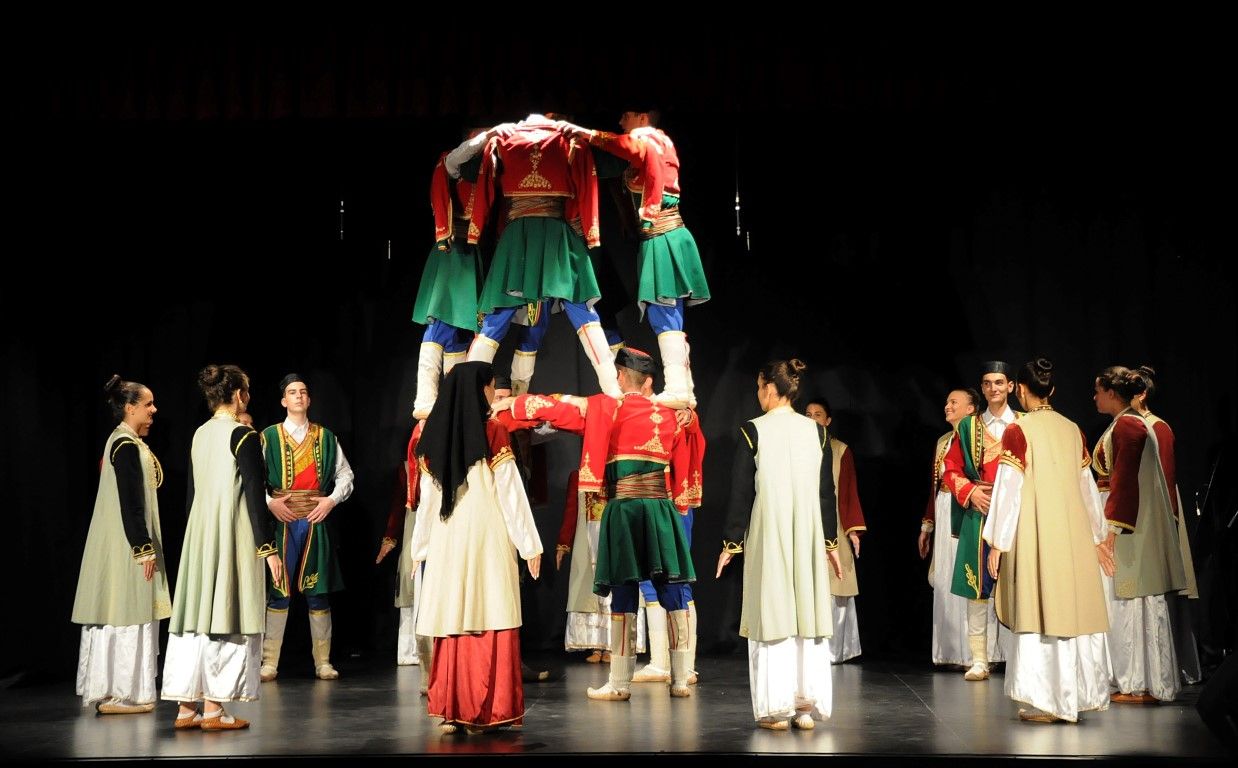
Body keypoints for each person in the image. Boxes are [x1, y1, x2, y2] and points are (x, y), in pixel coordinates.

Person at [496, 346, 702, 701]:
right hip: (660, 510)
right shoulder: (673, 414)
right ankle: (681, 679)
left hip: (624, 510)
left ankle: (620, 684)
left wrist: (513, 406)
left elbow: (556, 410)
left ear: (621, 377)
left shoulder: (607, 408)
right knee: (672, 591)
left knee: (624, 592)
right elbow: (692, 445)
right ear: (647, 381)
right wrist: (690, 416)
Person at [410, 361, 543, 734]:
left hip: (448, 535)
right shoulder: (493, 430)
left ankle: (452, 707)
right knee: (489, 611)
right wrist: (529, 544)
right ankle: (483, 710)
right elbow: (510, 492)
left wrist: (420, 548)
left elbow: (428, 500)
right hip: (485, 533)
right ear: (479, 390)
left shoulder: (432, 435)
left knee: (453, 613)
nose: (490, 394)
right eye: (489, 387)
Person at [982, 358, 1113, 723]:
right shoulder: (1072, 429)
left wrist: (998, 541)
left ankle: (1050, 700)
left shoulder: (1018, 430)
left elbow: (1008, 488)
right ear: (1051, 390)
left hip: (1038, 531)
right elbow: (1087, 489)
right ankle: (1076, 695)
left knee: (1042, 607)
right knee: (1070, 608)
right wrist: (1097, 535)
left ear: (1020, 390)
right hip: (1073, 532)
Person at [716, 358, 843, 731]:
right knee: (805, 610)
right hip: (807, 531)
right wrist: (830, 543)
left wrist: (731, 542)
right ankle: (805, 704)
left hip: (771, 531)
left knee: (773, 611)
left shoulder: (753, 430)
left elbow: (741, 491)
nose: (759, 394)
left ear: (770, 388)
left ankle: (776, 707)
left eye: (760, 387)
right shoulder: (816, 431)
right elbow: (826, 493)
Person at [459, 114, 622, 398]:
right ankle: (613, 391)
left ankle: (465, 394)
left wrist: (487, 137)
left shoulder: (503, 141)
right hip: (555, 234)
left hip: (518, 237)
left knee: (496, 318)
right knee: (583, 312)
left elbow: (468, 172)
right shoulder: (570, 141)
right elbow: (611, 166)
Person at [561, 108, 710, 407]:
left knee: (664, 314)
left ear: (642, 118)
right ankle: (685, 389)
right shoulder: (661, 142)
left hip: (663, 236)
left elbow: (626, 146)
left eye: (626, 116)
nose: (621, 122)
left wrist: (587, 135)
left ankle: (678, 389)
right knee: (669, 315)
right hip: (665, 236)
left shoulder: (647, 138)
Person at [161, 364, 283, 731]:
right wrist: (268, 548)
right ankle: (213, 708)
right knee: (225, 612)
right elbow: (254, 496)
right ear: (240, 395)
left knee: (197, 615)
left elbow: (192, 494)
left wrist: (195, 537)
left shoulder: (200, 434)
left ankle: (186, 708)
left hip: (200, 533)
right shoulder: (243, 436)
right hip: (231, 531)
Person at [71, 376, 170, 715]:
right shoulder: (125, 445)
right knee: (128, 609)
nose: (153, 410)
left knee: (125, 608)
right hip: (127, 545)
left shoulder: (127, 441)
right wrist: (142, 547)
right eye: (148, 404)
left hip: (124, 542)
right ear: (130, 408)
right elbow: (131, 502)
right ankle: (122, 694)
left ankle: (120, 691)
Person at [1092, 365, 1187, 704]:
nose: (1094, 397)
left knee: (1132, 601)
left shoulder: (1128, 426)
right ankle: (1139, 680)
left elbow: (1125, 481)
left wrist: (1113, 530)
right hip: (1131, 521)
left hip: (1131, 525)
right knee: (1133, 601)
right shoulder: (1126, 422)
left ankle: (1137, 682)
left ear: (1112, 393)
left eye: (1098, 391)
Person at [259, 374, 355, 682]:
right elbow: (251, 479)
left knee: (318, 593)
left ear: (309, 399)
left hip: (315, 521)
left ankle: (323, 662)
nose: (298, 396)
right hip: (283, 523)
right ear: (283, 401)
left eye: (303, 392)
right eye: (292, 392)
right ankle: (269, 662)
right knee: (278, 592)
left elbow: (345, 475)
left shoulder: (325, 437)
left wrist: (331, 501)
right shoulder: (268, 437)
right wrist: (269, 502)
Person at [411, 127, 501, 419]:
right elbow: (462, 154)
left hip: (470, 253)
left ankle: (454, 401)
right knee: (441, 323)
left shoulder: (487, 171)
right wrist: (485, 138)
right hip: (449, 253)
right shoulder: (452, 164)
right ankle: (425, 399)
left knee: (460, 329)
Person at [940, 361, 1017, 680]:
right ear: (982, 388)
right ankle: (980, 659)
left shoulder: (1022, 425)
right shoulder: (969, 427)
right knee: (977, 587)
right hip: (979, 511)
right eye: (987, 383)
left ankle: (1019, 659)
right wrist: (971, 492)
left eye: (999, 382)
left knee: (1017, 583)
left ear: (1011, 386)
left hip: (1015, 512)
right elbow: (950, 468)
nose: (993, 388)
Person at [1131, 365, 1202, 685]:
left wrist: (1169, 529)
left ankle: (1173, 665)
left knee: (1168, 594)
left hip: (1161, 517)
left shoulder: (1157, 427)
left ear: (1142, 394)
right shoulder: (1131, 424)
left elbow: (1166, 480)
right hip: (1142, 516)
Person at [918, 388, 987, 668]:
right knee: (946, 577)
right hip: (946, 507)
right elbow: (935, 486)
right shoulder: (943, 441)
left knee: (966, 575)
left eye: (954, 402)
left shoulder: (980, 437)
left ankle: (974, 653)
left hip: (967, 509)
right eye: (947, 401)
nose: (947, 406)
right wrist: (927, 525)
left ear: (971, 408)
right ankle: (950, 650)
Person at [805, 398, 867, 663]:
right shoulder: (797, 448)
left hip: (834, 524)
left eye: (818, 414)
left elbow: (848, 491)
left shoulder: (840, 450)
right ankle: (807, 650)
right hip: (805, 524)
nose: (812, 418)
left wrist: (852, 530)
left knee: (835, 586)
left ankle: (833, 650)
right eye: (808, 414)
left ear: (827, 420)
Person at [376, 421, 425, 669]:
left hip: (441, 524)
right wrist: (390, 537)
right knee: (410, 582)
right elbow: (398, 504)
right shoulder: (407, 467)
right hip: (414, 524)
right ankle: (410, 650)